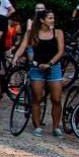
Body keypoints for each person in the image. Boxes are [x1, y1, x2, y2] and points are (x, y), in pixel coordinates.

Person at [10, 7, 65, 136]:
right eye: (50, 18)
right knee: (37, 98)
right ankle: (37, 126)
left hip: (53, 67)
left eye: (53, 18)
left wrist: (50, 63)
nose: (53, 20)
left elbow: (61, 51)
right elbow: (23, 46)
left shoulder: (58, 33)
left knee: (56, 99)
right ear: (41, 20)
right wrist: (16, 57)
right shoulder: (32, 33)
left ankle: (56, 127)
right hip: (37, 67)